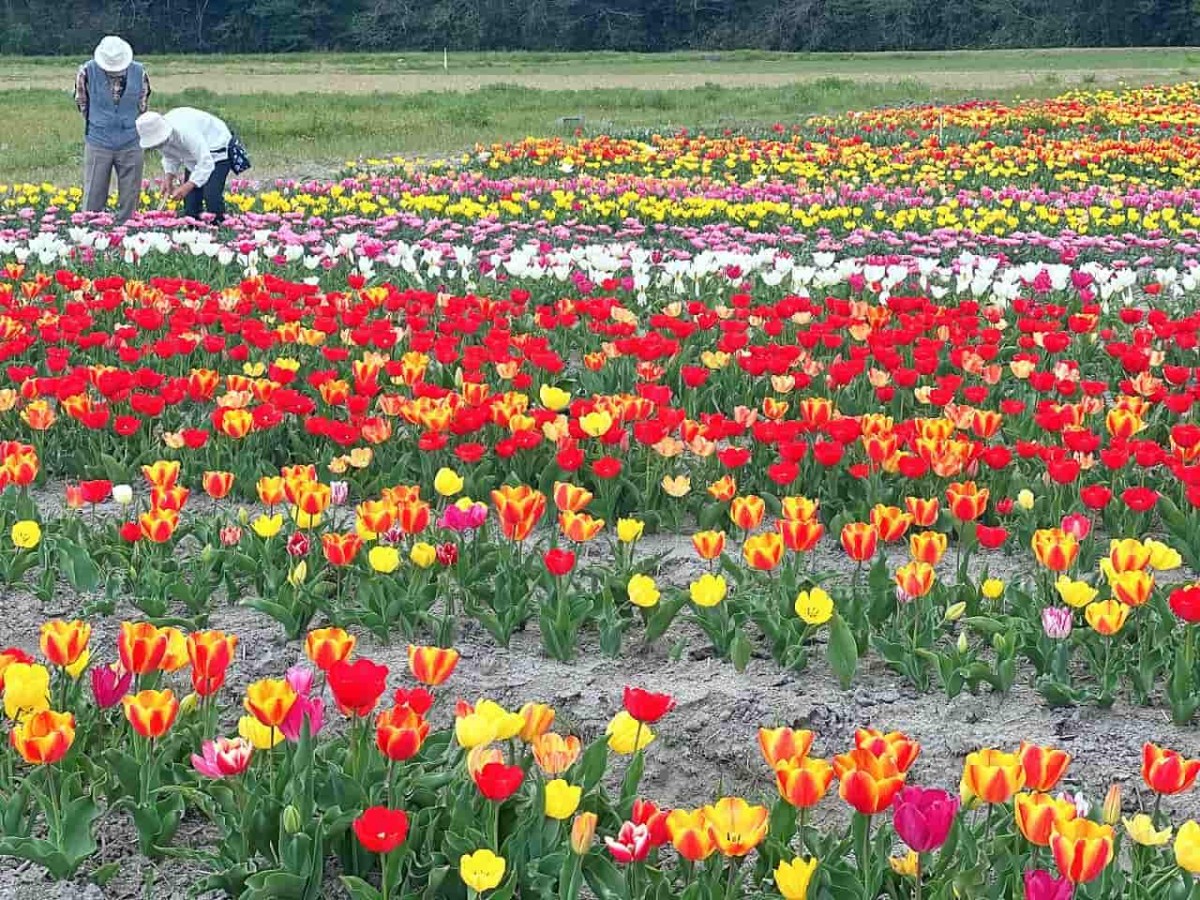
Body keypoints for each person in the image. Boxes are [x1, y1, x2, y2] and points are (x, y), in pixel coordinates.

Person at [75, 36, 150, 223]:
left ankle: (127, 234)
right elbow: (82, 102)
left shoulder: (139, 72)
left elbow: (142, 104)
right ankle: (90, 235)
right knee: (94, 192)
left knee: (130, 195)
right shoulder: (86, 72)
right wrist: (99, 122)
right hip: (98, 141)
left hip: (131, 141)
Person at [135, 108, 233, 224]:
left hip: (215, 148)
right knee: (191, 204)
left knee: (211, 195)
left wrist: (187, 185)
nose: (159, 146)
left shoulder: (186, 131)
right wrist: (169, 178)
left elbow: (206, 162)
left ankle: (219, 229)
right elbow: (170, 156)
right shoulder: (160, 137)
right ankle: (193, 236)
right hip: (193, 156)